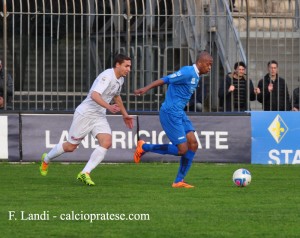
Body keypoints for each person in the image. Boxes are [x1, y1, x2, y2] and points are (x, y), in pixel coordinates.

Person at [39, 54, 134, 186]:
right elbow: (95, 95)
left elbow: (116, 96)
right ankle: (47, 159)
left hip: (99, 115)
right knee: (71, 147)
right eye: (127, 66)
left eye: (130, 66)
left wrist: (125, 114)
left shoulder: (120, 79)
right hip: (85, 114)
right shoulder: (106, 76)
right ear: (118, 65)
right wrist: (109, 107)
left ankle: (85, 173)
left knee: (106, 142)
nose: (129, 69)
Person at [133, 51, 213, 188]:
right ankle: (144, 147)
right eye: (208, 64)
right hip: (170, 112)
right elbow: (166, 79)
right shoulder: (188, 72)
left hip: (179, 112)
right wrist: (145, 89)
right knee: (182, 150)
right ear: (199, 63)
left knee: (193, 144)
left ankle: (178, 181)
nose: (210, 67)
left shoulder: (197, 75)